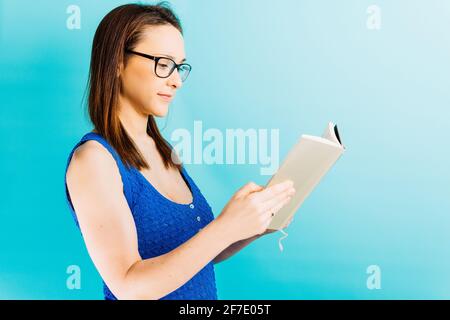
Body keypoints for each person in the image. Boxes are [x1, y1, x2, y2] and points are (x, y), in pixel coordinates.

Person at [64, 2, 295, 300]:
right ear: (117, 62)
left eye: (180, 67)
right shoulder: (94, 161)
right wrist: (225, 228)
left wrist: (253, 223)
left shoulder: (163, 151)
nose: (175, 81)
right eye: (163, 64)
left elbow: (196, 254)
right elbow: (129, 287)